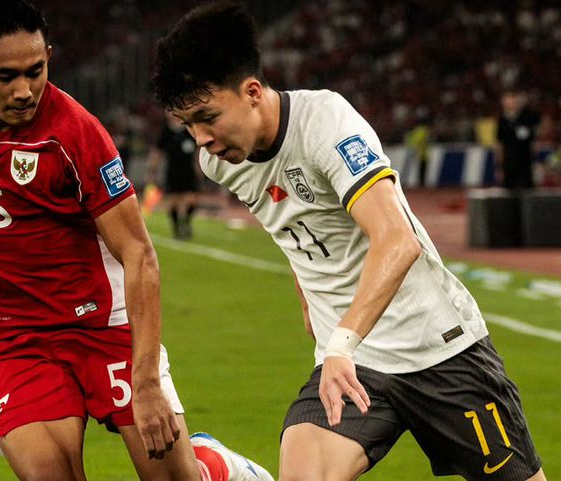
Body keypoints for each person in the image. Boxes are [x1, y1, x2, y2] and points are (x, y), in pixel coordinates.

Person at [152, 3, 546, 481]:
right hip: (354, 362)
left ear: (252, 92)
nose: (201, 139)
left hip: (437, 348)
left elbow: (397, 240)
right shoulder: (221, 162)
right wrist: (312, 305)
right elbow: (292, 225)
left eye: (207, 117)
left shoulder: (326, 123)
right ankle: (240, 472)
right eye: (188, 125)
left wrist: (341, 340)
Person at [0, 2, 273, 481]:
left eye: (35, 71)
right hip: (12, 336)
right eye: (6, 76)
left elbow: (138, 252)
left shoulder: (76, 133)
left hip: (103, 325)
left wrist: (146, 382)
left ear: (49, 57)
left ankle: (213, 466)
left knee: (172, 476)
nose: (24, 90)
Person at [146, 111, 200, 239]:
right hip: (172, 171)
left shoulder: (189, 128)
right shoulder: (165, 132)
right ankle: (176, 228)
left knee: (193, 199)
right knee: (173, 200)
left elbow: (198, 149)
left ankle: (186, 222)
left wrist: (199, 166)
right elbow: (157, 153)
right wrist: (152, 171)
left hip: (189, 170)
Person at [495, 90, 541, 190]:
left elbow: (533, 142)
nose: (509, 104)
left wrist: (536, 161)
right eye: (506, 101)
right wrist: (499, 166)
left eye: (512, 101)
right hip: (509, 162)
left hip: (525, 162)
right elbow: (499, 144)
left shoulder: (527, 117)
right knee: (508, 190)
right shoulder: (502, 121)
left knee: (528, 189)